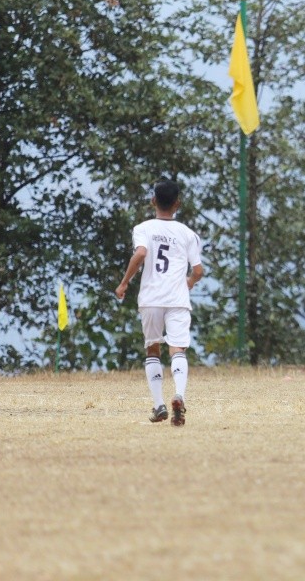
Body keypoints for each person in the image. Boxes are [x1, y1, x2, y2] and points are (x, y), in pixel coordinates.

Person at [115, 177, 203, 427]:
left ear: (153, 200)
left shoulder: (143, 228)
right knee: (178, 349)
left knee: (153, 349)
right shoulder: (187, 233)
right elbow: (198, 270)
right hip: (177, 299)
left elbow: (141, 253)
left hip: (151, 298)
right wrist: (189, 283)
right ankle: (179, 396)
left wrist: (124, 283)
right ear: (178, 203)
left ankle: (159, 404)